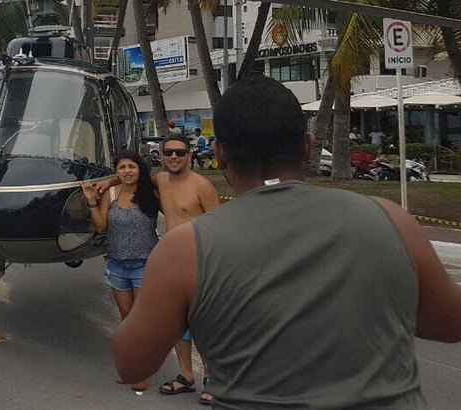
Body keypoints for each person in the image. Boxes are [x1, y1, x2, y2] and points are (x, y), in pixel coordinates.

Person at [113, 75, 461, 408]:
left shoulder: (184, 250)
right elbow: (448, 324)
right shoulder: (391, 219)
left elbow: (131, 364)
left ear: (219, 155)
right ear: (308, 146)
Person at [95, 133, 221, 400]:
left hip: (200, 262)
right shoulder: (160, 181)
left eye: (180, 152)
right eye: (169, 152)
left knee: (202, 323)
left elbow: (220, 228)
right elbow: (130, 176)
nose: (174, 157)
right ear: (161, 156)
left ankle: (214, 379)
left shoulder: (202, 186)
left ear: (190, 155)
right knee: (177, 323)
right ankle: (186, 376)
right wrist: (108, 182)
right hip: (172, 264)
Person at [81, 149, 160, 392]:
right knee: (126, 317)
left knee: (140, 319)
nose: (127, 171)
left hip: (145, 264)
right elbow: (101, 226)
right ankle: (132, 364)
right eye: (122, 168)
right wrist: (92, 201)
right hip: (117, 265)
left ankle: (140, 370)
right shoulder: (111, 194)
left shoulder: (152, 192)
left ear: (140, 169)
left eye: (131, 167)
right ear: (116, 171)